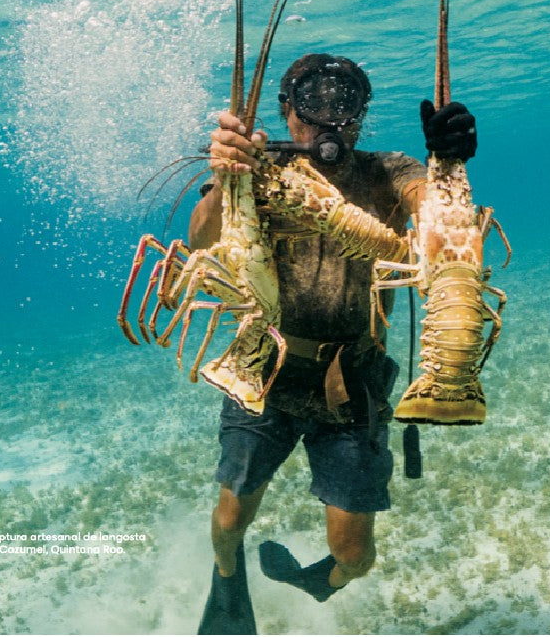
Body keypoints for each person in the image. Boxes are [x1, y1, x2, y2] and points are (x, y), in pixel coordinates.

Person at [190, 53, 477, 634]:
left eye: (345, 105)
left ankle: (315, 583)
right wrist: (225, 177)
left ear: (361, 115)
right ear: (286, 111)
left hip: (354, 380)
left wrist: (447, 163)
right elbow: (202, 237)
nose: (329, 120)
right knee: (230, 514)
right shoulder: (257, 169)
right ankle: (227, 585)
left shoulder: (385, 170)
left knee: (355, 554)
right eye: (312, 103)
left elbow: (430, 204)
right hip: (263, 368)